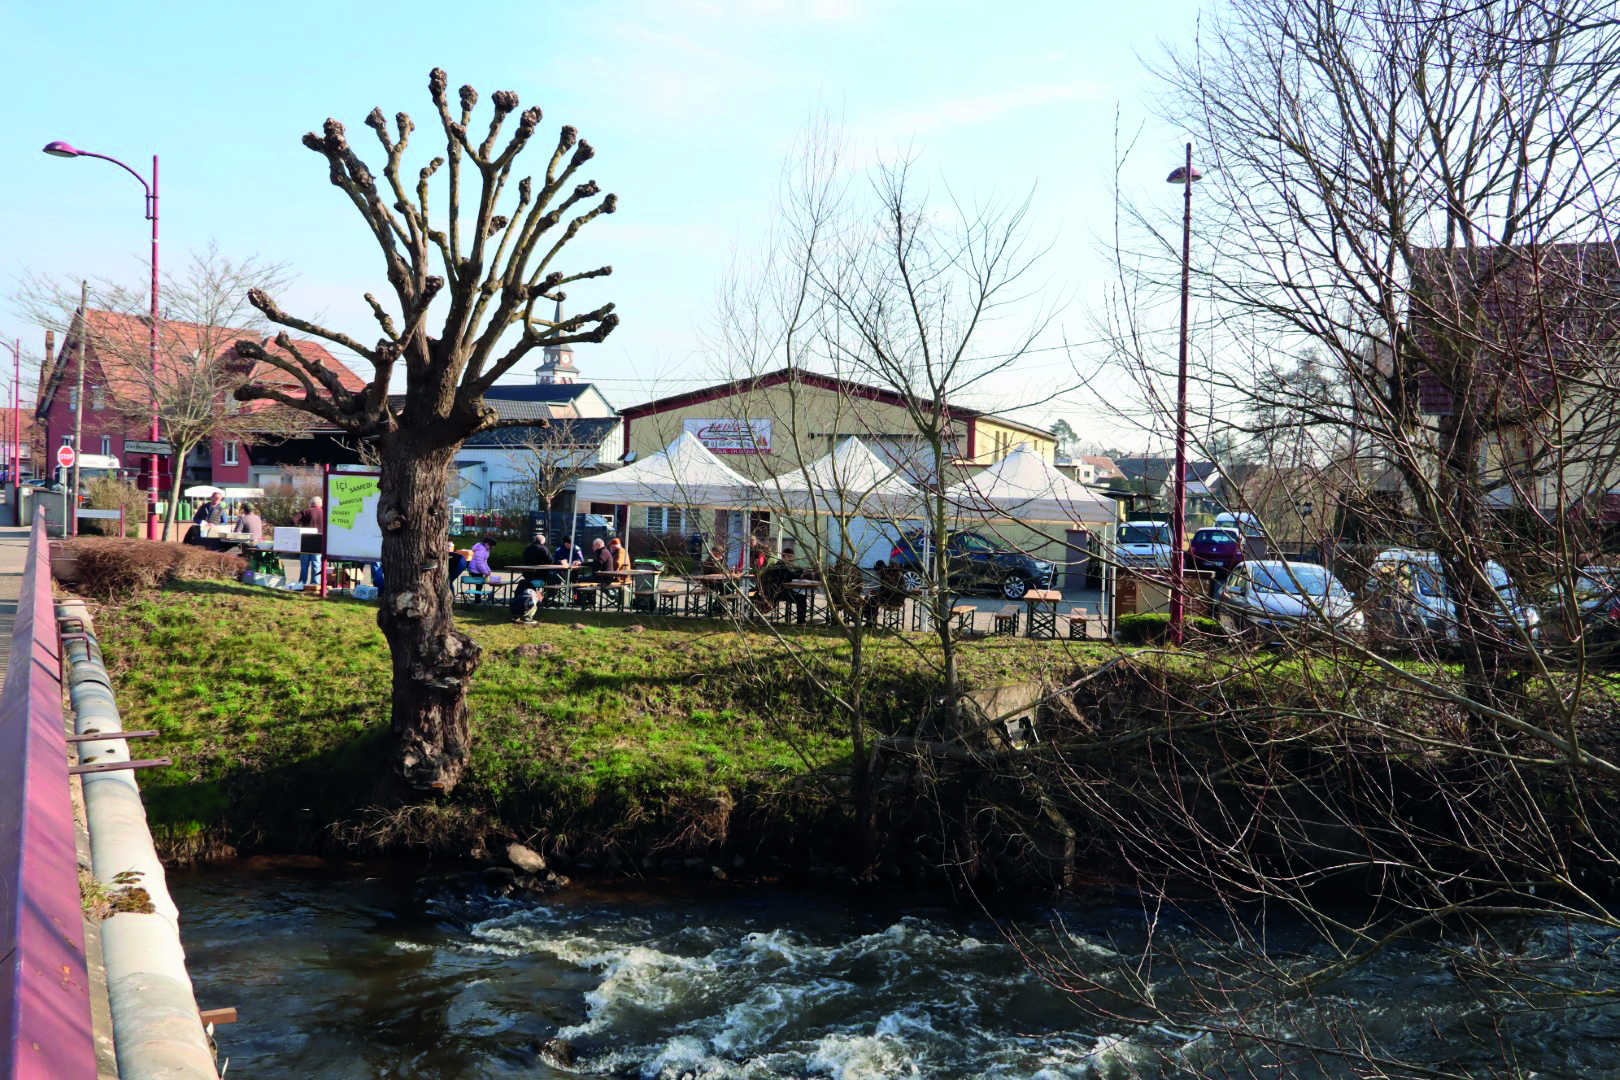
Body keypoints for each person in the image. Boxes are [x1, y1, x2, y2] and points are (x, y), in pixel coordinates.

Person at [757, 548, 808, 625]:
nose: (793, 558)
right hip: (779, 593)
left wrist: (798, 572)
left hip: (782, 591)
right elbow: (788, 576)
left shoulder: (781, 565)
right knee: (801, 598)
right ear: (785, 556)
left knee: (801, 597)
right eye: (791, 556)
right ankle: (801, 621)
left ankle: (801, 620)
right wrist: (799, 572)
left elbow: (789, 575)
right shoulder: (780, 566)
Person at [295, 496, 325, 586]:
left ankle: (302, 583)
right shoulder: (324, 513)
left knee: (304, 564)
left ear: (311, 503)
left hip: (305, 541)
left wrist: (297, 530)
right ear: (321, 504)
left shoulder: (306, 511)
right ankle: (315, 584)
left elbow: (293, 520)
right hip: (319, 542)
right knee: (316, 564)